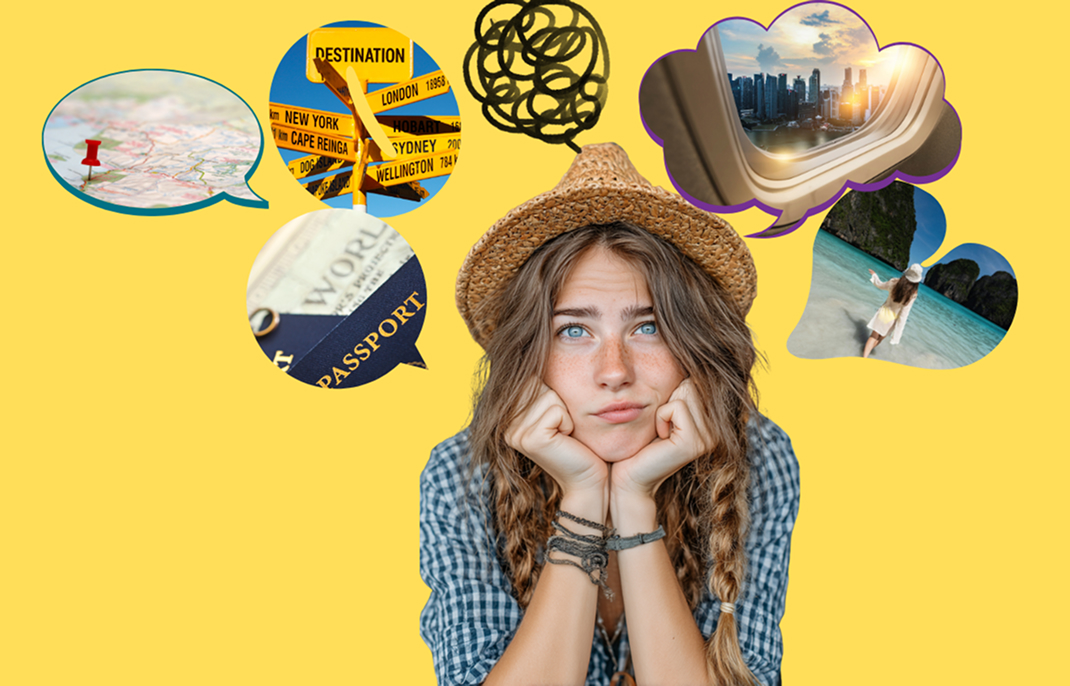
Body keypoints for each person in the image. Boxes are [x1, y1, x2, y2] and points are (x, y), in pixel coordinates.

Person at [420, 144, 800, 686]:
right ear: (528, 356)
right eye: (574, 331)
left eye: (648, 326)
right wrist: (582, 494)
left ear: (694, 343)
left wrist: (633, 501)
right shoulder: (462, 474)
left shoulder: (758, 455)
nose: (614, 371)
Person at [862, 264, 922, 358]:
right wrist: (897, 334)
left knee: (873, 336)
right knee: (880, 338)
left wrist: (874, 276)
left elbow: (880, 285)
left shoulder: (894, 282)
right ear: (916, 281)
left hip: (883, 312)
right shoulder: (912, 295)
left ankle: (864, 357)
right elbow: (903, 315)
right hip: (892, 319)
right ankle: (866, 355)